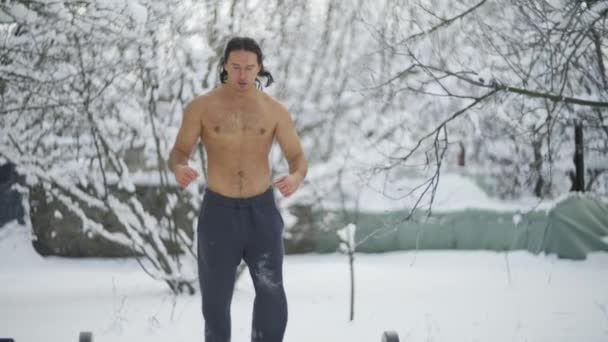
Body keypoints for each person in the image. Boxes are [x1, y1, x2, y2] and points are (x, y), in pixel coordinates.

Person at [168, 36, 307, 342]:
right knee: (215, 302)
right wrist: (179, 167)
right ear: (225, 67)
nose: (243, 75)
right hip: (219, 212)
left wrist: (295, 178)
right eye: (236, 67)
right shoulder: (201, 107)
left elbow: (297, 158)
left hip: (262, 211)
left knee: (272, 294)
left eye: (249, 67)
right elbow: (179, 152)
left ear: (259, 68)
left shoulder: (274, 111)